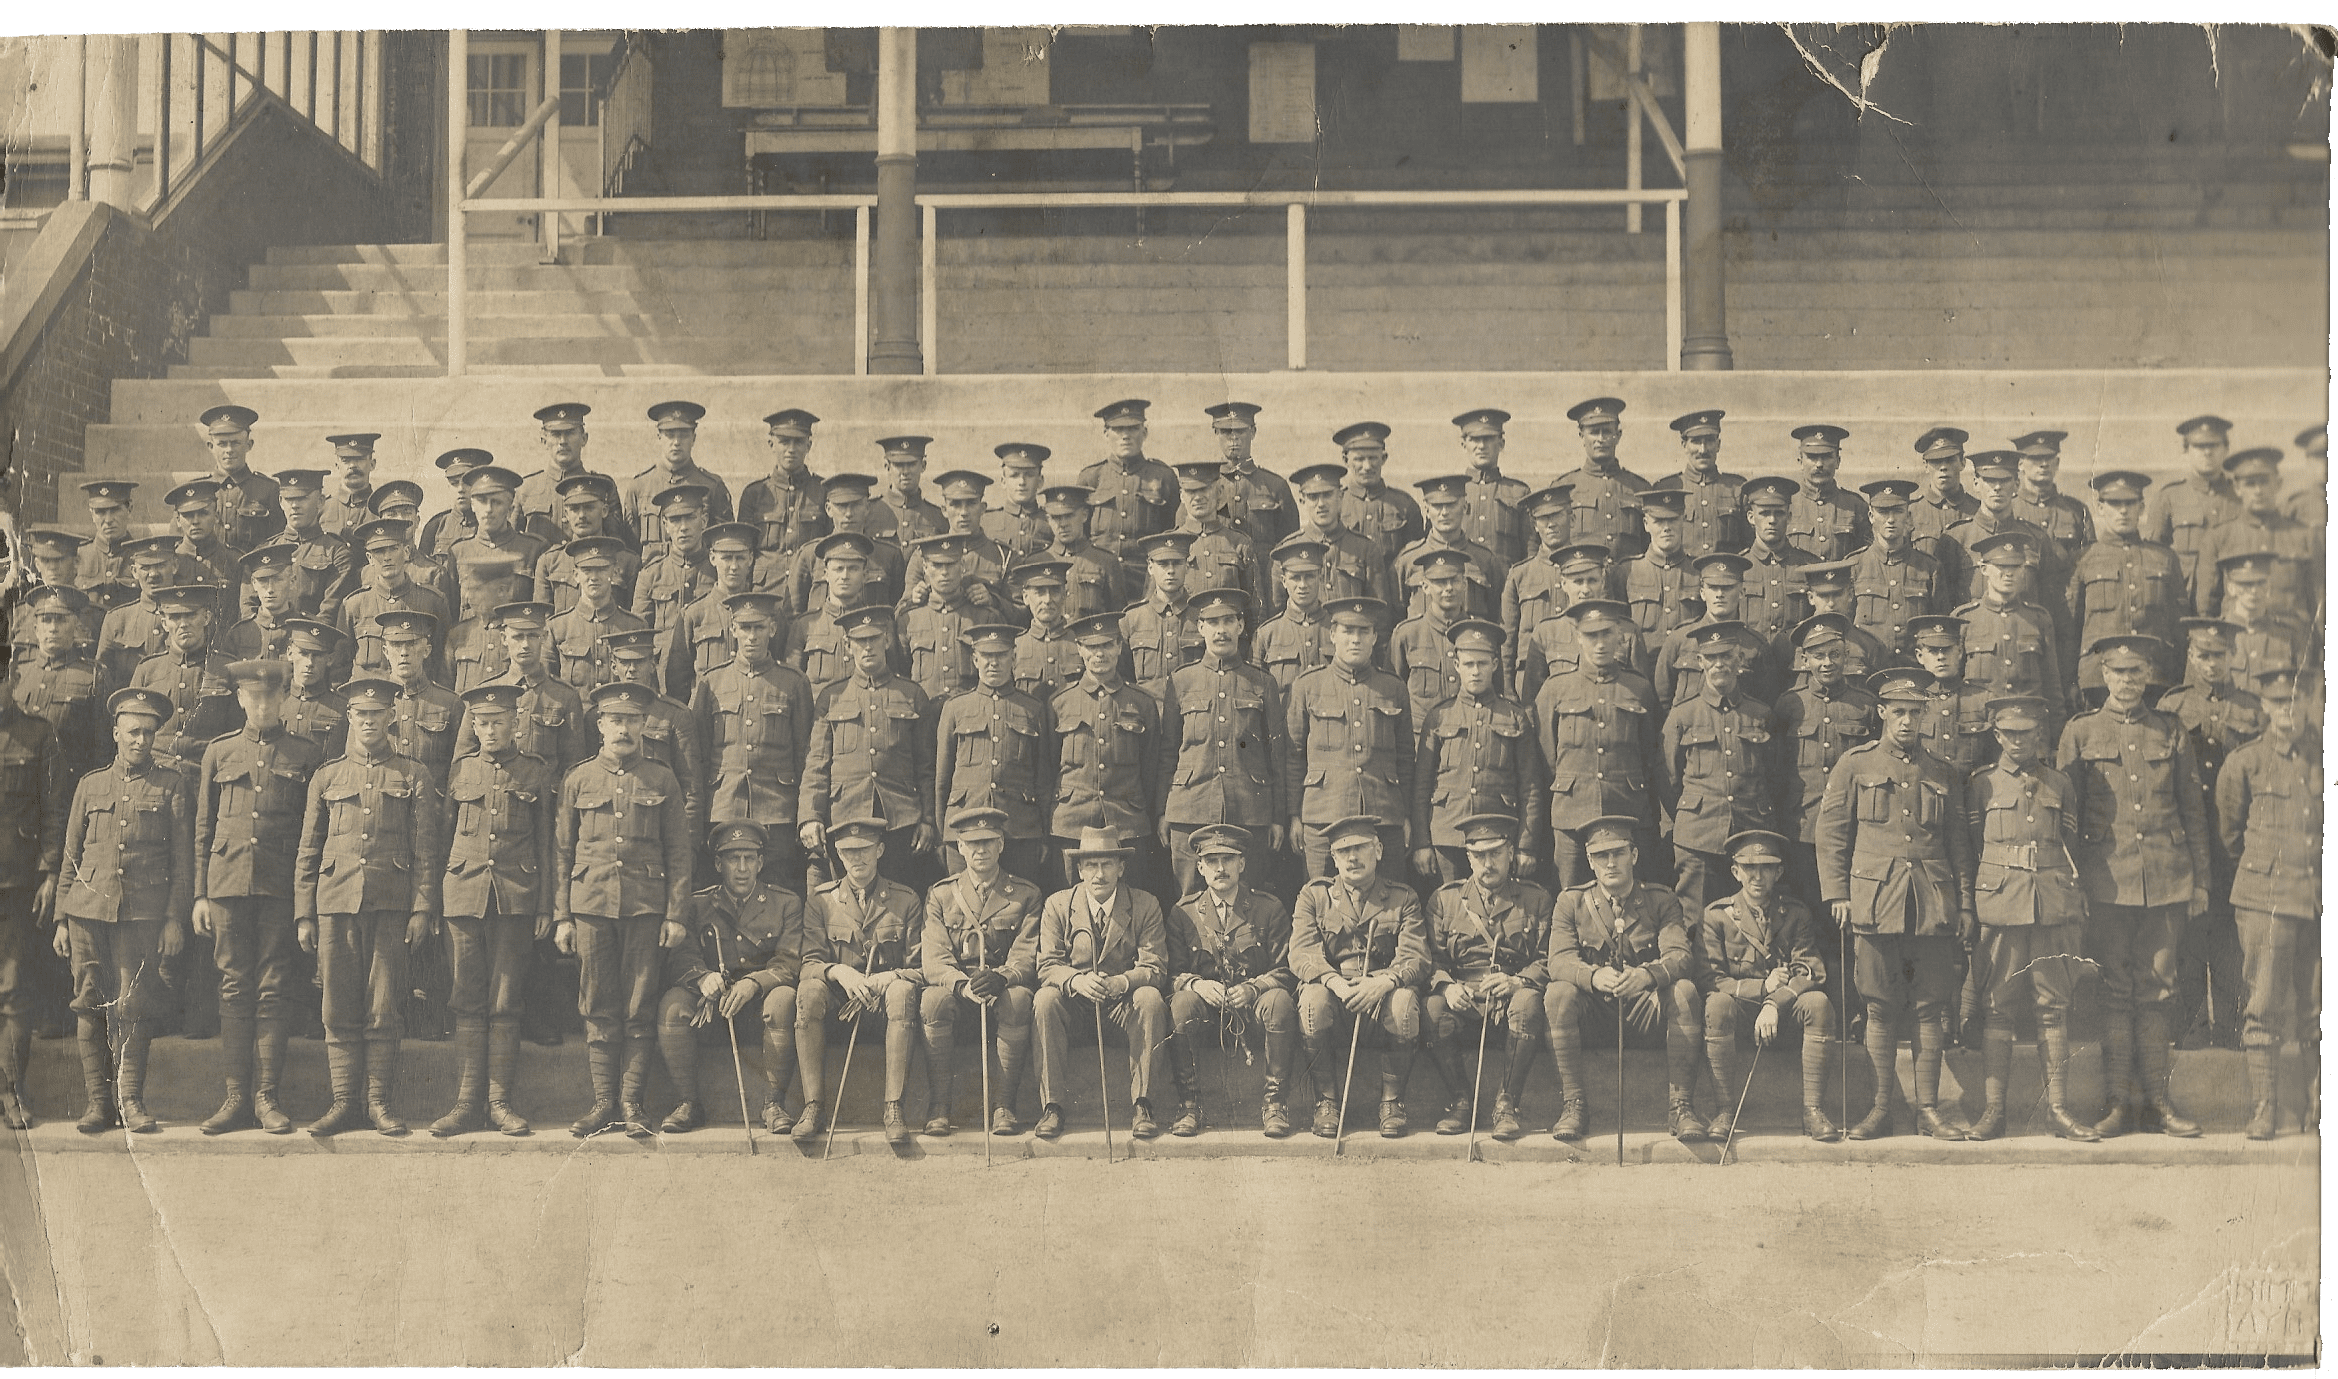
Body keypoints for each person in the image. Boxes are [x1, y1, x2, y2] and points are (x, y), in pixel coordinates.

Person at [2058, 633, 2211, 1139]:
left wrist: (2201, 882)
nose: (2127, 682)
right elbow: (2066, 818)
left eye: (2137, 673)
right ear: (2103, 676)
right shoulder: (2079, 733)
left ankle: (2158, 1103)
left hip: (2167, 878)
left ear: (2149, 677)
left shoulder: (2171, 730)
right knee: (2116, 992)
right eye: (2118, 673)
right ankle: (2118, 1102)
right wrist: (2075, 884)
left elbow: (2193, 811)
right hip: (2106, 883)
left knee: (2159, 992)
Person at [1816, 666, 1975, 1141]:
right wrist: (1838, 893)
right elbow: (1832, 835)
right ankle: (1880, 1108)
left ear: (1926, 714)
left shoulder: (1943, 771)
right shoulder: (1855, 764)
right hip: (1874, 901)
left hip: (1932, 904)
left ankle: (1928, 1110)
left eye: (1915, 712)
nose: (1907, 721)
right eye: (1898, 712)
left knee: (1929, 1007)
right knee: (1880, 1008)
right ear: (1882, 713)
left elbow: (1958, 845)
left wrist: (1964, 905)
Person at [294, 678, 444, 1136]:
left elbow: (427, 850)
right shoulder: (328, 775)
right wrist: (304, 912)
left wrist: (421, 908)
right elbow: (309, 848)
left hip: (390, 903)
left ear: (390, 718)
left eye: (376, 715)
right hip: (335, 901)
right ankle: (343, 1103)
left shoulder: (413, 775)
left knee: (383, 1006)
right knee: (336, 1005)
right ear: (350, 718)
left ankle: (378, 1103)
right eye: (360, 715)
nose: (368, 722)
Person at [191, 659, 327, 1135]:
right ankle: (234, 1099)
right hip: (227, 884)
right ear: (241, 699)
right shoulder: (219, 752)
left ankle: (267, 1097)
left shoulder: (307, 754)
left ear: (285, 699)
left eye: (273, 696)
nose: (264, 704)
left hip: (278, 887)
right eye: (255, 696)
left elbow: (313, 833)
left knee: (272, 988)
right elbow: (203, 827)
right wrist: (200, 895)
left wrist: (304, 901)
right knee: (233, 985)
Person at [554, 680, 694, 1139]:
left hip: (644, 907)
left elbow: (678, 852)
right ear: (600, 725)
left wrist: (676, 914)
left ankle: (632, 1102)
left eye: (632, 720)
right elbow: (561, 851)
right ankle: (602, 1104)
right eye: (615, 720)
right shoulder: (578, 779)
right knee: (597, 1004)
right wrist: (562, 916)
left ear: (643, 726)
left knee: (638, 1005)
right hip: (590, 905)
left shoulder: (661, 778)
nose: (624, 728)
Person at [1962, 695, 2095, 1141]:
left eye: (2027, 733)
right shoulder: (1981, 784)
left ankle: (2058, 1110)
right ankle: (1993, 1113)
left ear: (2040, 734)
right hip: (2001, 906)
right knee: (1998, 1008)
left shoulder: (2061, 783)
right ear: (1996, 735)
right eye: (2009, 734)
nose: (2018, 742)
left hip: (2052, 906)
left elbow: (2071, 844)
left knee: (2053, 1008)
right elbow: (1970, 844)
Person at [430, 682, 556, 1138]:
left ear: (514, 723)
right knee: (466, 998)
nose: (490, 730)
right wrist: (435, 900)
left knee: (505, 1002)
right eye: (482, 723)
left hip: (515, 896)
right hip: (463, 895)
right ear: (473, 726)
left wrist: (545, 906)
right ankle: (465, 1104)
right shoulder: (460, 770)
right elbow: (442, 839)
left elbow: (547, 844)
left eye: (499, 722)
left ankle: (499, 1103)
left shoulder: (535, 772)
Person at [1542, 815, 1705, 1141]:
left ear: (1634, 855)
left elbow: (1680, 957)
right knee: (1558, 994)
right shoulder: (1571, 902)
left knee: (1685, 991)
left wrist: (1647, 975)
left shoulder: (1661, 900)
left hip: (1644, 1012)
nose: (1610, 862)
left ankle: (1681, 1107)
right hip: (1596, 1014)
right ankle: (1573, 1103)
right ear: (1589, 860)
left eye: (1617, 853)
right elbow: (1558, 961)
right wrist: (1593, 976)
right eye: (1601, 856)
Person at [657, 821, 817, 1134]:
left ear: (761, 862)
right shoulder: (697, 904)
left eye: (749, 858)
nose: (742, 868)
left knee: (785, 999)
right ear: (718, 864)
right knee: (672, 1005)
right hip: (714, 1008)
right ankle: (688, 1102)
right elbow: (681, 958)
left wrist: (754, 982)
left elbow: (789, 962)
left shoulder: (785, 903)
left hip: (760, 1007)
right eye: (733, 859)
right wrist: (702, 978)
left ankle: (773, 1103)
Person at [2216, 668, 2320, 1139]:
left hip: (2319, 901)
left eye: (2296, 703)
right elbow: (2230, 833)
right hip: (2266, 901)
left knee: (2320, 1007)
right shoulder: (2245, 763)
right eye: (2279, 704)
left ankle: (2320, 1105)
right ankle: (2266, 1107)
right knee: (2263, 1006)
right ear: (2266, 707)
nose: (2288, 712)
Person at [1289, 814, 1431, 1138]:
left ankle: (1392, 1103)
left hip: (1379, 999)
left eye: (1361, 848)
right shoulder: (1314, 896)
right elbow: (1302, 953)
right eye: (1343, 851)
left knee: (1405, 1001)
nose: (1353, 857)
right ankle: (1326, 1102)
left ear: (1378, 850)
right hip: (1336, 1000)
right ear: (1334, 859)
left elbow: (1416, 957)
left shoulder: (1402, 897)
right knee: (1311, 999)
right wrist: (1336, 983)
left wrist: (1384, 982)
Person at [2157, 617, 2260, 1051]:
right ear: (2190, 656)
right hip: (2186, 837)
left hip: (2235, 841)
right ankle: (2193, 1029)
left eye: (2220, 655)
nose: (2211, 663)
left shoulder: (2252, 708)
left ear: (2233, 657)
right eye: (2203, 654)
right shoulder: (2172, 705)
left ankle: (2230, 1031)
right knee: (2190, 932)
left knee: (2231, 934)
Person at [1697, 829, 1839, 1143]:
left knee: (1818, 1003)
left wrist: (1774, 1003)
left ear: (1779, 872)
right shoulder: (1717, 916)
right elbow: (1712, 979)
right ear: (1735, 872)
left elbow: (1810, 969)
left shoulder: (1796, 913)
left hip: (1782, 1015)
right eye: (1749, 868)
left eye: (1766, 868)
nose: (1757, 876)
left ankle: (1813, 1110)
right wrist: (1762, 989)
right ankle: (1724, 1110)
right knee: (1716, 1004)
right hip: (1742, 1014)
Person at [1031, 825, 1172, 1140]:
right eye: (1091, 865)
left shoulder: (1145, 904)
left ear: (1121, 868)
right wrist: (1077, 981)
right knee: (1045, 999)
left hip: (1122, 1009)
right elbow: (1047, 965)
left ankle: (1143, 1105)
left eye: (1107, 864)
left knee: (1150, 998)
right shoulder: (1057, 905)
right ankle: (1052, 1106)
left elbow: (1156, 966)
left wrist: (1123, 982)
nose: (1099, 874)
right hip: (1077, 1009)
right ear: (1079, 869)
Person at [1420, 814, 1552, 1141]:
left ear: (1511, 853)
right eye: (1479, 856)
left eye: (1495, 853)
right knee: (1433, 1008)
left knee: (1528, 1002)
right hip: (1464, 998)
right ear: (1467, 857)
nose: (1487, 863)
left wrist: (1518, 981)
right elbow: (1430, 958)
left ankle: (1507, 1105)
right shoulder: (1445, 899)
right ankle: (1461, 1100)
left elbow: (1550, 958)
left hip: (1510, 996)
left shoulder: (1537, 899)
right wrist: (1447, 986)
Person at [793, 816, 925, 1144]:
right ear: (838, 854)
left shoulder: (905, 899)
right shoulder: (821, 901)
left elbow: (922, 966)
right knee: (809, 992)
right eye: (849, 852)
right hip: (840, 1008)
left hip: (885, 1009)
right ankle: (813, 1107)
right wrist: (839, 971)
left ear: (880, 850)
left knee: (904, 989)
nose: (858, 859)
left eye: (865, 849)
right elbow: (809, 963)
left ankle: (893, 1108)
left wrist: (889, 977)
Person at [918, 807, 1046, 1135]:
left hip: (1000, 986)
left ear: (1001, 844)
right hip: (960, 989)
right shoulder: (942, 894)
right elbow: (934, 959)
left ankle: (1004, 1105)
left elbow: (1027, 954)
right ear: (959, 847)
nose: (980, 850)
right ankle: (940, 1105)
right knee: (932, 1000)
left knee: (1019, 999)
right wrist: (961, 985)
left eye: (989, 841)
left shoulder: (1025, 894)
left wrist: (1004, 977)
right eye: (971, 843)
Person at [1164, 823, 1296, 1137]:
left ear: (1242, 864)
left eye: (1228, 859)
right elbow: (1170, 975)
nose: (1220, 868)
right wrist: (1197, 984)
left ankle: (1275, 1104)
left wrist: (1254, 988)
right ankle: (1190, 1105)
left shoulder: (1268, 908)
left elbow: (1287, 971)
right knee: (1182, 1002)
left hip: (1252, 1009)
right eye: (1211, 861)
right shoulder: (1184, 913)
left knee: (1279, 1001)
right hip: (1208, 1014)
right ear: (1199, 867)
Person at [799, 605, 937, 893]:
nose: (868, 648)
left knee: (899, 899)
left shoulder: (912, 695)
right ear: (848, 646)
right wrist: (810, 817)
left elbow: (926, 767)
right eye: (860, 642)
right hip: (846, 814)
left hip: (900, 820)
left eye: (874, 639)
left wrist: (927, 819)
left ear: (887, 641)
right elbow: (817, 765)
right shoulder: (831, 698)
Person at [1157, 589, 1286, 896]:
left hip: (1248, 810)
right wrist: (1163, 811)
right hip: (1191, 809)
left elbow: (1276, 756)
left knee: (1247, 900)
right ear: (1200, 628)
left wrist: (1278, 818)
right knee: (1188, 899)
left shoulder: (1262, 683)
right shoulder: (1181, 681)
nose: (1221, 630)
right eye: (1212, 622)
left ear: (1241, 626)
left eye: (1228, 620)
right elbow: (1167, 753)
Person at [1528, 600, 1656, 890]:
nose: (1600, 644)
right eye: (1591, 636)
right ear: (1578, 638)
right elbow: (1545, 755)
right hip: (1573, 810)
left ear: (1619, 637)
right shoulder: (1556, 688)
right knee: (1568, 892)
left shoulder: (1638, 688)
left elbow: (1648, 752)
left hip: (1625, 808)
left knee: (1630, 894)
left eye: (1607, 634)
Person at [692, 592, 816, 885]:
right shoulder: (711, 682)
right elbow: (699, 752)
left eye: (759, 627)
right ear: (733, 629)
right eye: (745, 628)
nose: (752, 636)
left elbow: (805, 755)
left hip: (776, 810)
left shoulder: (794, 682)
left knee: (776, 892)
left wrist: (802, 813)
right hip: (724, 807)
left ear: (772, 629)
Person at [1661, 621, 1785, 911]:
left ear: (1739, 660)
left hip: (1751, 831)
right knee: (1697, 921)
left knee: (1751, 916)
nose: (1720, 665)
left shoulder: (1760, 714)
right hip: (1698, 836)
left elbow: (1776, 776)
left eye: (1726, 656)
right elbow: (1667, 779)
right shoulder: (1683, 715)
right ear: (1700, 662)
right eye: (1712, 658)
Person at [1284, 597, 1412, 878]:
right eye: (1347, 631)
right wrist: (1294, 815)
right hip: (1322, 813)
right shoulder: (1308, 686)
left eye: (1363, 632)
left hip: (1383, 813)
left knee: (1388, 897)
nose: (1355, 640)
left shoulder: (1393, 688)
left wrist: (1406, 815)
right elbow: (1293, 756)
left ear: (1375, 637)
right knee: (1319, 896)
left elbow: (1405, 758)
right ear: (1332, 635)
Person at [1773, 615, 1882, 931]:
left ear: (1846, 655)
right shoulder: (1789, 705)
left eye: (1834, 654)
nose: (1827, 663)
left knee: (1850, 921)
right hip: (1802, 829)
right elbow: (1776, 772)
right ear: (1804, 659)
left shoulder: (1865, 706)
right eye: (1818, 656)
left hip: (1853, 829)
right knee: (1805, 918)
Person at [1413, 620, 1540, 888]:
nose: (1475, 672)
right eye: (1468, 664)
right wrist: (1422, 842)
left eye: (1482, 664)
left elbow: (1530, 785)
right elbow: (1422, 785)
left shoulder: (1514, 717)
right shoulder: (1439, 716)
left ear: (1495, 664)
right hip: (1448, 834)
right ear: (1456, 665)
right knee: (1448, 908)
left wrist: (1526, 845)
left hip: (1498, 835)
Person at [1046, 612, 1167, 889]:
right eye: (1091, 647)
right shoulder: (1059, 704)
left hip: (1126, 822)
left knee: (1130, 901)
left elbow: (1150, 768)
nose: (1099, 654)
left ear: (1119, 647)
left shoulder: (1141, 703)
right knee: (1068, 902)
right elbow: (1048, 768)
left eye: (1106, 645)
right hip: (1072, 823)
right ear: (1079, 649)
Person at [931, 625, 1055, 884]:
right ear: (975, 659)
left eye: (1001, 655)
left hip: (1019, 828)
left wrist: (1043, 836)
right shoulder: (955, 708)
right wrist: (944, 835)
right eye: (987, 656)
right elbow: (942, 780)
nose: (994, 663)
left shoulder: (1032, 709)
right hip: (964, 827)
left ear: (1014, 658)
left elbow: (1043, 779)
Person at [0, 668, 59, 1128]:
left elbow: (54, 807)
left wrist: (50, 872)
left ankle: (12, 1093)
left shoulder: (36, 733)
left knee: (15, 992)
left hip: (15, 882)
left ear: (13, 677)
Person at [2066, 470, 2185, 693]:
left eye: (2130, 503)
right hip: (2098, 680)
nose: (2123, 511)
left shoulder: (2164, 558)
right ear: (2100, 508)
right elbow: (2069, 630)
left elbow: (2179, 628)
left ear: (2141, 507)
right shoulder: (2083, 559)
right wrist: (2071, 683)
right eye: (2114, 503)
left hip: (2154, 677)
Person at [2197, 446, 2323, 621]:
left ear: (2278, 484)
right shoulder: (2218, 538)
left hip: (2293, 642)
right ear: (2237, 488)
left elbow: (2320, 604)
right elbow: (2207, 608)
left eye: (2264, 482)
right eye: (2250, 484)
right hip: (2239, 642)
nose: (2258, 491)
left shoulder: (2304, 536)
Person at [1956, 531, 2067, 727]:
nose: (2009, 573)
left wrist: (2056, 737)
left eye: (2015, 566)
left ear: (2024, 569)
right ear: (1984, 569)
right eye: (2001, 566)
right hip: (1980, 729)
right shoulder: (1964, 620)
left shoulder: (2038, 619)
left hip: (2027, 728)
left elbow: (2052, 686)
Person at [2142, 414, 2240, 607]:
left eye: (2213, 446)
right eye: (2199, 446)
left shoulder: (2239, 496)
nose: (2207, 453)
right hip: (2184, 603)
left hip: (2232, 602)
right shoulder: (2169, 497)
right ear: (2185, 451)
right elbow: (2153, 558)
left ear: (2226, 449)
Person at [775, 473, 907, 615]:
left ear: (867, 507)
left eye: (856, 505)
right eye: (841, 506)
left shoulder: (888, 555)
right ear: (828, 509)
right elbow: (793, 614)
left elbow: (897, 611)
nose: (849, 513)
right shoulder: (810, 554)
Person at [1078, 401, 1180, 586]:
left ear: (1145, 432)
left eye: (1132, 428)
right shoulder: (1091, 477)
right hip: (1099, 579)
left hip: (1145, 580)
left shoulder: (1163, 477)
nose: (1125, 436)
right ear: (1105, 433)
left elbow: (1171, 532)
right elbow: (1081, 535)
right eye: (1118, 429)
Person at [1847, 478, 1947, 665]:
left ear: (1908, 517)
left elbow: (1938, 629)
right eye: (1883, 512)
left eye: (1898, 511)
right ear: (1870, 516)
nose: (1891, 519)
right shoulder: (1854, 566)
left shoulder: (1929, 567)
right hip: (1868, 672)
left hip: (1915, 671)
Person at [337, 520, 452, 680]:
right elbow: (340, 667)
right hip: (371, 700)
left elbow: (442, 662)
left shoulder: (432, 602)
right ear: (369, 558)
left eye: (393, 549)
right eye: (379, 551)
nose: (387, 557)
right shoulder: (354, 605)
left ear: (406, 552)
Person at [664, 522, 764, 703]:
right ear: (712, 558)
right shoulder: (694, 614)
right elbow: (678, 682)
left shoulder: (765, 611)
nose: (733, 566)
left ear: (750, 559)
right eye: (726, 558)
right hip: (706, 714)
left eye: (740, 558)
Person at [624, 401, 736, 562]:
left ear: (694, 438)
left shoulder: (712, 486)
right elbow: (631, 549)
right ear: (659, 437)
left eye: (683, 435)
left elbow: (725, 544)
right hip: (653, 582)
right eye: (670, 435)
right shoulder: (640, 487)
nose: (676, 442)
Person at [517, 402, 638, 551]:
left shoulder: (603, 486)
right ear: (544, 440)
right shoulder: (527, 489)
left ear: (584, 439)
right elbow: (514, 540)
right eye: (555, 434)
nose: (562, 441)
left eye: (570, 433)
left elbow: (616, 542)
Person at [1276, 463, 1395, 610]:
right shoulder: (1287, 551)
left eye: (1327, 495)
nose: (1321, 504)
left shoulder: (1365, 549)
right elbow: (1276, 612)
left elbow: (1380, 612)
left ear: (1340, 496)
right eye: (1313, 497)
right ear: (1302, 500)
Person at [789, 531, 891, 693]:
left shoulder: (880, 623)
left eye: (853, 569)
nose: (845, 576)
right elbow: (793, 684)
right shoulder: (805, 625)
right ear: (826, 575)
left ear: (865, 575)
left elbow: (893, 679)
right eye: (838, 569)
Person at [1393, 474, 1504, 621]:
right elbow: (1394, 617)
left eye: (1451, 505)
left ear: (1464, 507)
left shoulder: (1484, 560)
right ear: (1427, 509)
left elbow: (1498, 616)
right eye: (1437, 506)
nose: (1444, 513)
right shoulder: (1408, 559)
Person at [546, 537, 649, 692]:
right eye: (586, 570)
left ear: (614, 573)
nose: (594, 577)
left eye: (601, 569)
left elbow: (645, 689)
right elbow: (548, 687)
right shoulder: (558, 627)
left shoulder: (634, 626)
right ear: (575, 575)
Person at [1499, 485, 1578, 684]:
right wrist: (1508, 687)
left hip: (1576, 672)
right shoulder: (1520, 575)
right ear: (1534, 525)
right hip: (1530, 679)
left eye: (1557, 515)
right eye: (1543, 519)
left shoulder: (1588, 569)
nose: (1550, 524)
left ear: (1572, 518)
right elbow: (1507, 641)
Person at [1555, 398, 1650, 557]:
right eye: (1593, 432)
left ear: (1617, 435)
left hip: (1629, 579)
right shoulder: (1565, 487)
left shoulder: (1640, 488)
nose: (1600, 439)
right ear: (1582, 436)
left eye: (1606, 431)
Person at [533, 476, 641, 616]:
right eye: (575, 509)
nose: (582, 515)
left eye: (589, 508)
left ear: (604, 511)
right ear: (566, 513)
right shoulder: (550, 561)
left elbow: (632, 620)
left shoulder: (628, 562)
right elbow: (542, 620)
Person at [631, 484, 717, 658]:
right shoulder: (651, 575)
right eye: (675, 520)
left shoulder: (718, 571)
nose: (683, 527)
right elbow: (640, 637)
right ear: (665, 525)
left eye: (690, 517)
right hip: (664, 674)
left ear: (704, 520)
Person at [1387, 549, 1471, 723]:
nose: (1448, 588)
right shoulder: (1407, 635)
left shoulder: (1477, 633)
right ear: (1425, 587)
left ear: (1464, 583)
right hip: (1421, 740)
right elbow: (1391, 695)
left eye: (1454, 580)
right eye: (1440, 582)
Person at [1906, 615, 1996, 777]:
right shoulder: (1909, 700)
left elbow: (1996, 757)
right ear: (1920, 656)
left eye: (1947, 649)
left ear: (1960, 651)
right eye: (1933, 651)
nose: (1941, 657)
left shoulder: (1983, 699)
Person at [269, 468, 360, 625]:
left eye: (302, 498)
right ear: (280, 502)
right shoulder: (268, 550)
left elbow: (329, 613)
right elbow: (250, 609)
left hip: (313, 642)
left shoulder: (336, 552)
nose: (295, 505)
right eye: (289, 499)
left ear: (320, 501)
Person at [1119, 531, 1202, 704]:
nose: (1171, 571)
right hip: (1148, 714)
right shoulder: (1131, 619)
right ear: (1150, 567)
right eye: (1163, 564)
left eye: (1177, 563)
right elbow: (1123, 677)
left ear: (1187, 566)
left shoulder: (1202, 616)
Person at [1736, 477, 1820, 646]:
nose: (1772, 520)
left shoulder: (1808, 566)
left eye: (1779, 513)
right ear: (1751, 517)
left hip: (1794, 665)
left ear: (1789, 517)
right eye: (1764, 513)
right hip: (1752, 665)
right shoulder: (1738, 567)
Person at [1167, 461, 1266, 603]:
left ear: (1219, 492)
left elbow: (1254, 604)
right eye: (1190, 491)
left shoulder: (1239, 543)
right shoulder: (1172, 544)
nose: (1198, 497)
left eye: (1204, 489)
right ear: (1182, 496)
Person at [736, 408, 830, 558]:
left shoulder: (824, 491)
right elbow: (743, 552)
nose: (791, 449)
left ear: (808, 446)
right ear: (771, 444)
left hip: (809, 581)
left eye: (798, 442)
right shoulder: (754, 494)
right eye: (784, 442)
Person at [1653, 408, 1746, 558]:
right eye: (1696, 441)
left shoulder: (1737, 489)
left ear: (1718, 444)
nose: (1703, 450)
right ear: (1684, 445)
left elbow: (1748, 545)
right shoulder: (1667, 489)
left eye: (1709, 440)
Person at [1208, 402, 1297, 553]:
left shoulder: (1275, 486)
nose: (1233, 438)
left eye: (1240, 431)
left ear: (1253, 432)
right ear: (1216, 433)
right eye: (1226, 432)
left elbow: (1290, 544)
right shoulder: (1205, 485)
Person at [195, 404, 285, 552]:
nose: (229, 450)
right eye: (222, 444)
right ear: (210, 446)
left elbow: (279, 541)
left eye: (235, 443)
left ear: (249, 445)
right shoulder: (198, 490)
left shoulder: (269, 490)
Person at [1253, 537, 1334, 694]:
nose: (1302, 585)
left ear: (1320, 577)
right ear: (1283, 581)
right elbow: (1258, 695)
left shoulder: (1337, 628)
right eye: (1295, 577)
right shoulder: (1267, 635)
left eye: (1309, 576)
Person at [1450, 409, 1531, 565]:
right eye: (1474, 439)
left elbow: (1530, 550)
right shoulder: (1453, 492)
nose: (1481, 446)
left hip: (1506, 584)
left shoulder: (1519, 492)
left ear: (1501, 443)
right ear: (1463, 444)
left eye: (1488, 439)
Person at [1036, 484, 1127, 621]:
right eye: (1056, 517)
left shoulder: (1106, 561)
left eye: (1069, 516)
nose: (1063, 524)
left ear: (1084, 515)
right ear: (1048, 519)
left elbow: (1118, 617)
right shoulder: (1038, 561)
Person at [1785, 424, 1871, 561]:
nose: (1819, 464)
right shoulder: (1786, 504)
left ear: (1838, 461)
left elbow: (1867, 558)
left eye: (1826, 457)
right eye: (1812, 457)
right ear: (1800, 461)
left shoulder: (1855, 505)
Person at [1622, 489, 1698, 634]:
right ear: (1646, 524)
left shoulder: (1697, 570)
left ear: (1683, 520)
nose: (1667, 528)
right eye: (1658, 521)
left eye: (1673, 519)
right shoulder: (1628, 571)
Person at [2009, 430, 2094, 560]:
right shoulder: (2009, 509)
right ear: (2020, 464)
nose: (2044, 464)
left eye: (2049, 457)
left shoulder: (2076, 510)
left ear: (2057, 463)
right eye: (2036, 458)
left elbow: (2090, 561)